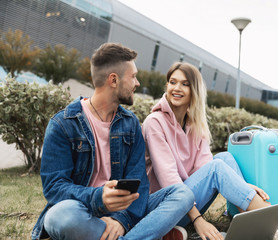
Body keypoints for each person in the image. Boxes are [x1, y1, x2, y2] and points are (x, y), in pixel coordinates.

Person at [142, 62, 278, 240]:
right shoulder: (154, 123)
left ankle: (266, 225)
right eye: (172, 82)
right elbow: (169, 180)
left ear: (195, 90)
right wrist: (198, 220)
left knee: (224, 158)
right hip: (162, 209)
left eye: (184, 84)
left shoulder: (193, 124)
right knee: (217, 167)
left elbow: (205, 167)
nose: (176, 88)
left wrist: (242, 185)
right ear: (166, 86)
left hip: (186, 201)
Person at [31, 43, 195, 240]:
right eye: (133, 76)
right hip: (84, 211)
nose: (137, 83)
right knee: (59, 216)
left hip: (125, 212)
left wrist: (120, 219)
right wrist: (98, 197)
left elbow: (141, 185)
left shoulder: (130, 123)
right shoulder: (63, 124)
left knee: (183, 194)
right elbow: (54, 187)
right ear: (114, 80)